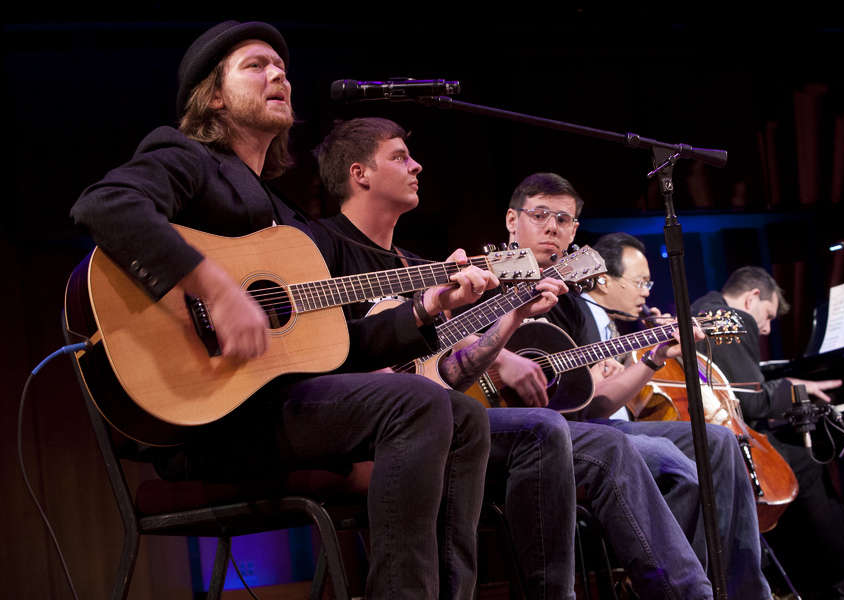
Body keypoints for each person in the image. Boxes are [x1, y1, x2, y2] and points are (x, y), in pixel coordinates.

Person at [70, 21, 494, 600]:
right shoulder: (187, 156)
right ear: (214, 95)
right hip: (206, 417)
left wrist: (425, 310)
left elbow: (339, 346)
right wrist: (216, 290)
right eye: (257, 65)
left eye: (284, 69)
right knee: (417, 403)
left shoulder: (287, 219)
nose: (279, 75)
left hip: (276, 404)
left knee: (464, 417)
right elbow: (106, 204)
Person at [313, 117, 715, 599]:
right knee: (545, 431)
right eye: (400, 156)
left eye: (564, 220)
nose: (417, 165)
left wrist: (511, 316)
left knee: (704, 443)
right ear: (360, 173)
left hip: (438, 415)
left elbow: (450, 367)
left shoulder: (418, 267)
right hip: (361, 423)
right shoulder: (318, 248)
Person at [499, 175, 773, 600]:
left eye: (564, 219)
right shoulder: (486, 281)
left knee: (719, 441)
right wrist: (502, 357)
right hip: (525, 434)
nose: (551, 227)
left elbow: (593, 406)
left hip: (582, 428)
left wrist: (653, 356)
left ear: (574, 233)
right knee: (666, 459)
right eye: (539, 215)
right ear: (512, 221)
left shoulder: (571, 305)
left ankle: (743, 593)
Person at [693, 267, 844, 599]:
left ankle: (810, 578)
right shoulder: (731, 317)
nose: (766, 328)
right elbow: (753, 401)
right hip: (729, 443)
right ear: (752, 297)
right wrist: (793, 388)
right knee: (804, 461)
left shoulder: (700, 307)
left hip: (714, 435)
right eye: (768, 316)